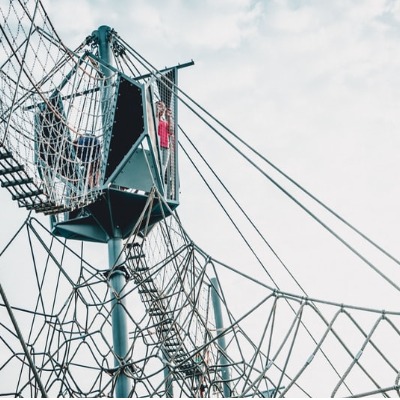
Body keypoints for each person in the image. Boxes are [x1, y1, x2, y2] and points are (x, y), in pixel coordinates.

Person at [156, 101, 174, 181]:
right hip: (158, 145)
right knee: (157, 165)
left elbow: (170, 131)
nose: (162, 108)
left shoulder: (165, 121)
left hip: (166, 147)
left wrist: (169, 117)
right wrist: (157, 110)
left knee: (163, 168)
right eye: (160, 106)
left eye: (163, 107)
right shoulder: (155, 118)